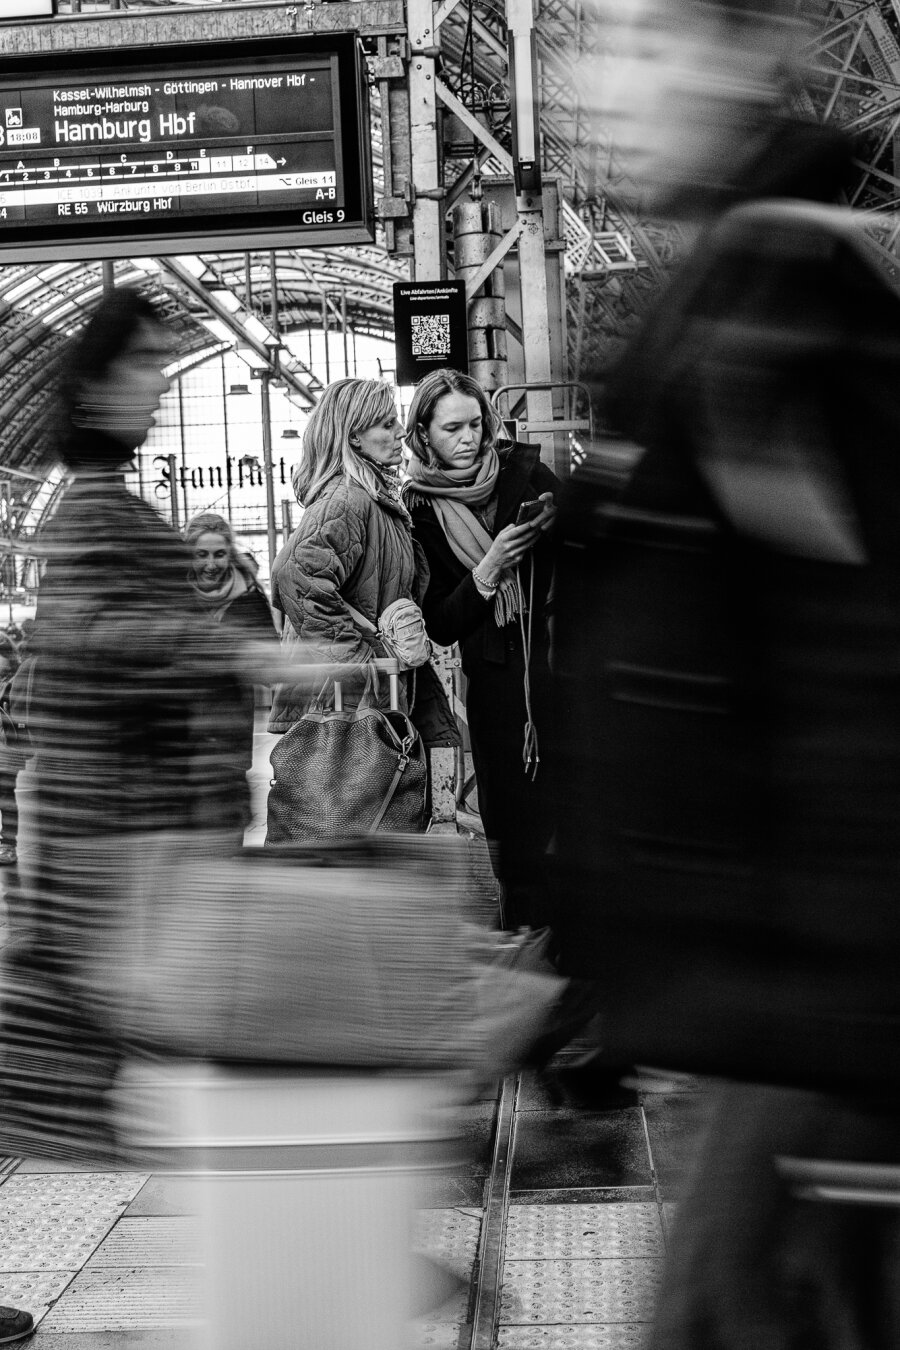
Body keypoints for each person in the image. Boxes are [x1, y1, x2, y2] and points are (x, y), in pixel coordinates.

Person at [552, 1, 900, 1345]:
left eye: (647, 43)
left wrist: (860, 1053)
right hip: (752, 1023)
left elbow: (864, 676)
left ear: (747, 58)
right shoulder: (727, 295)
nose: (599, 83)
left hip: (815, 1039)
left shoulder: (787, 310)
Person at [0, 287, 275, 1164]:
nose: (160, 383)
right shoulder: (90, 507)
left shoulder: (112, 499)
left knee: (155, 1069)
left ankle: (301, 1243)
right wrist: (234, 652)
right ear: (93, 384)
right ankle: (306, 1244)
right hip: (126, 847)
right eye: (146, 363)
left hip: (143, 842)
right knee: (165, 1062)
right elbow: (93, 633)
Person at [402, 369, 557, 929]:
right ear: (424, 435)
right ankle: (525, 939)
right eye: (452, 429)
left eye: (475, 424)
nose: (469, 438)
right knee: (512, 832)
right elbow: (440, 623)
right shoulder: (419, 511)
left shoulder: (525, 470)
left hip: (556, 668)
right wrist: (489, 570)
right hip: (496, 689)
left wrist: (557, 531)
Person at [268, 376, 456, 759]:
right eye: (387, 424)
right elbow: (296, 576)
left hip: (360, 702)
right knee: (358, 810)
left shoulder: (373, 498)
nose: (401, 432)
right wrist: (361, 663)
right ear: (355, 437)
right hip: (346, 704)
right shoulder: (347, 498)